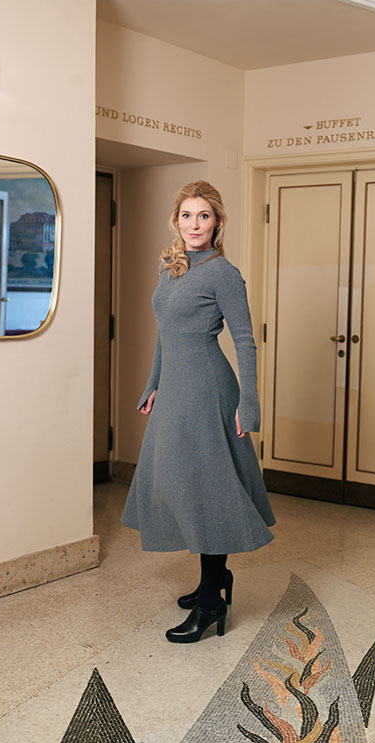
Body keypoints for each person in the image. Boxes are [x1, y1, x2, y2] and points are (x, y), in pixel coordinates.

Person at [122, 180, 275, 644]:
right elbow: (165, 332)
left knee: (209, 490)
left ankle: (211, 600)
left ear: (217, 222)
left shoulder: (223, 273)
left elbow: (245, 340)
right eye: (187, 215)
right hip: (175, 390)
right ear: (177, 221)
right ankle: (216, 578)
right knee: (182, 483)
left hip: (209, 389)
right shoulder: (172, 268)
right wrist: (153, 383)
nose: (194, 224)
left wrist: (249, 401)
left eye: (203, 216)